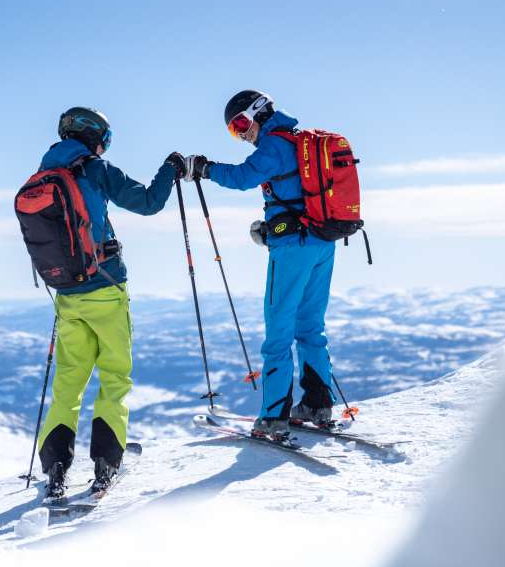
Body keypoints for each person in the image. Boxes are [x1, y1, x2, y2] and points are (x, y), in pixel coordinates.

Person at [36, 106, 186, 496]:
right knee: (114, 378)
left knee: (68, 384)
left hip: (66, 294)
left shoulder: (42, 176)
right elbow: (150, 202)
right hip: (105, 287)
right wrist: (170, 168)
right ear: (94, 136)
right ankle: (106, 463)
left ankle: (54, 469)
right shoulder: (95, 170)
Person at [182, 90, 338, 440]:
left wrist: (202, 169)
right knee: (311, 326)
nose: (242, 135)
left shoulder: (275, 144)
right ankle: (317, 404)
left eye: (240, 125)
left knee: (279, 330)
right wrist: (271, 228)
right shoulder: (300, 141)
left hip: (292, 250)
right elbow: (296, 195)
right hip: (323, 243)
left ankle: (273, 417)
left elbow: (241, 178)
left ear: (257, 113)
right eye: (234, 132)